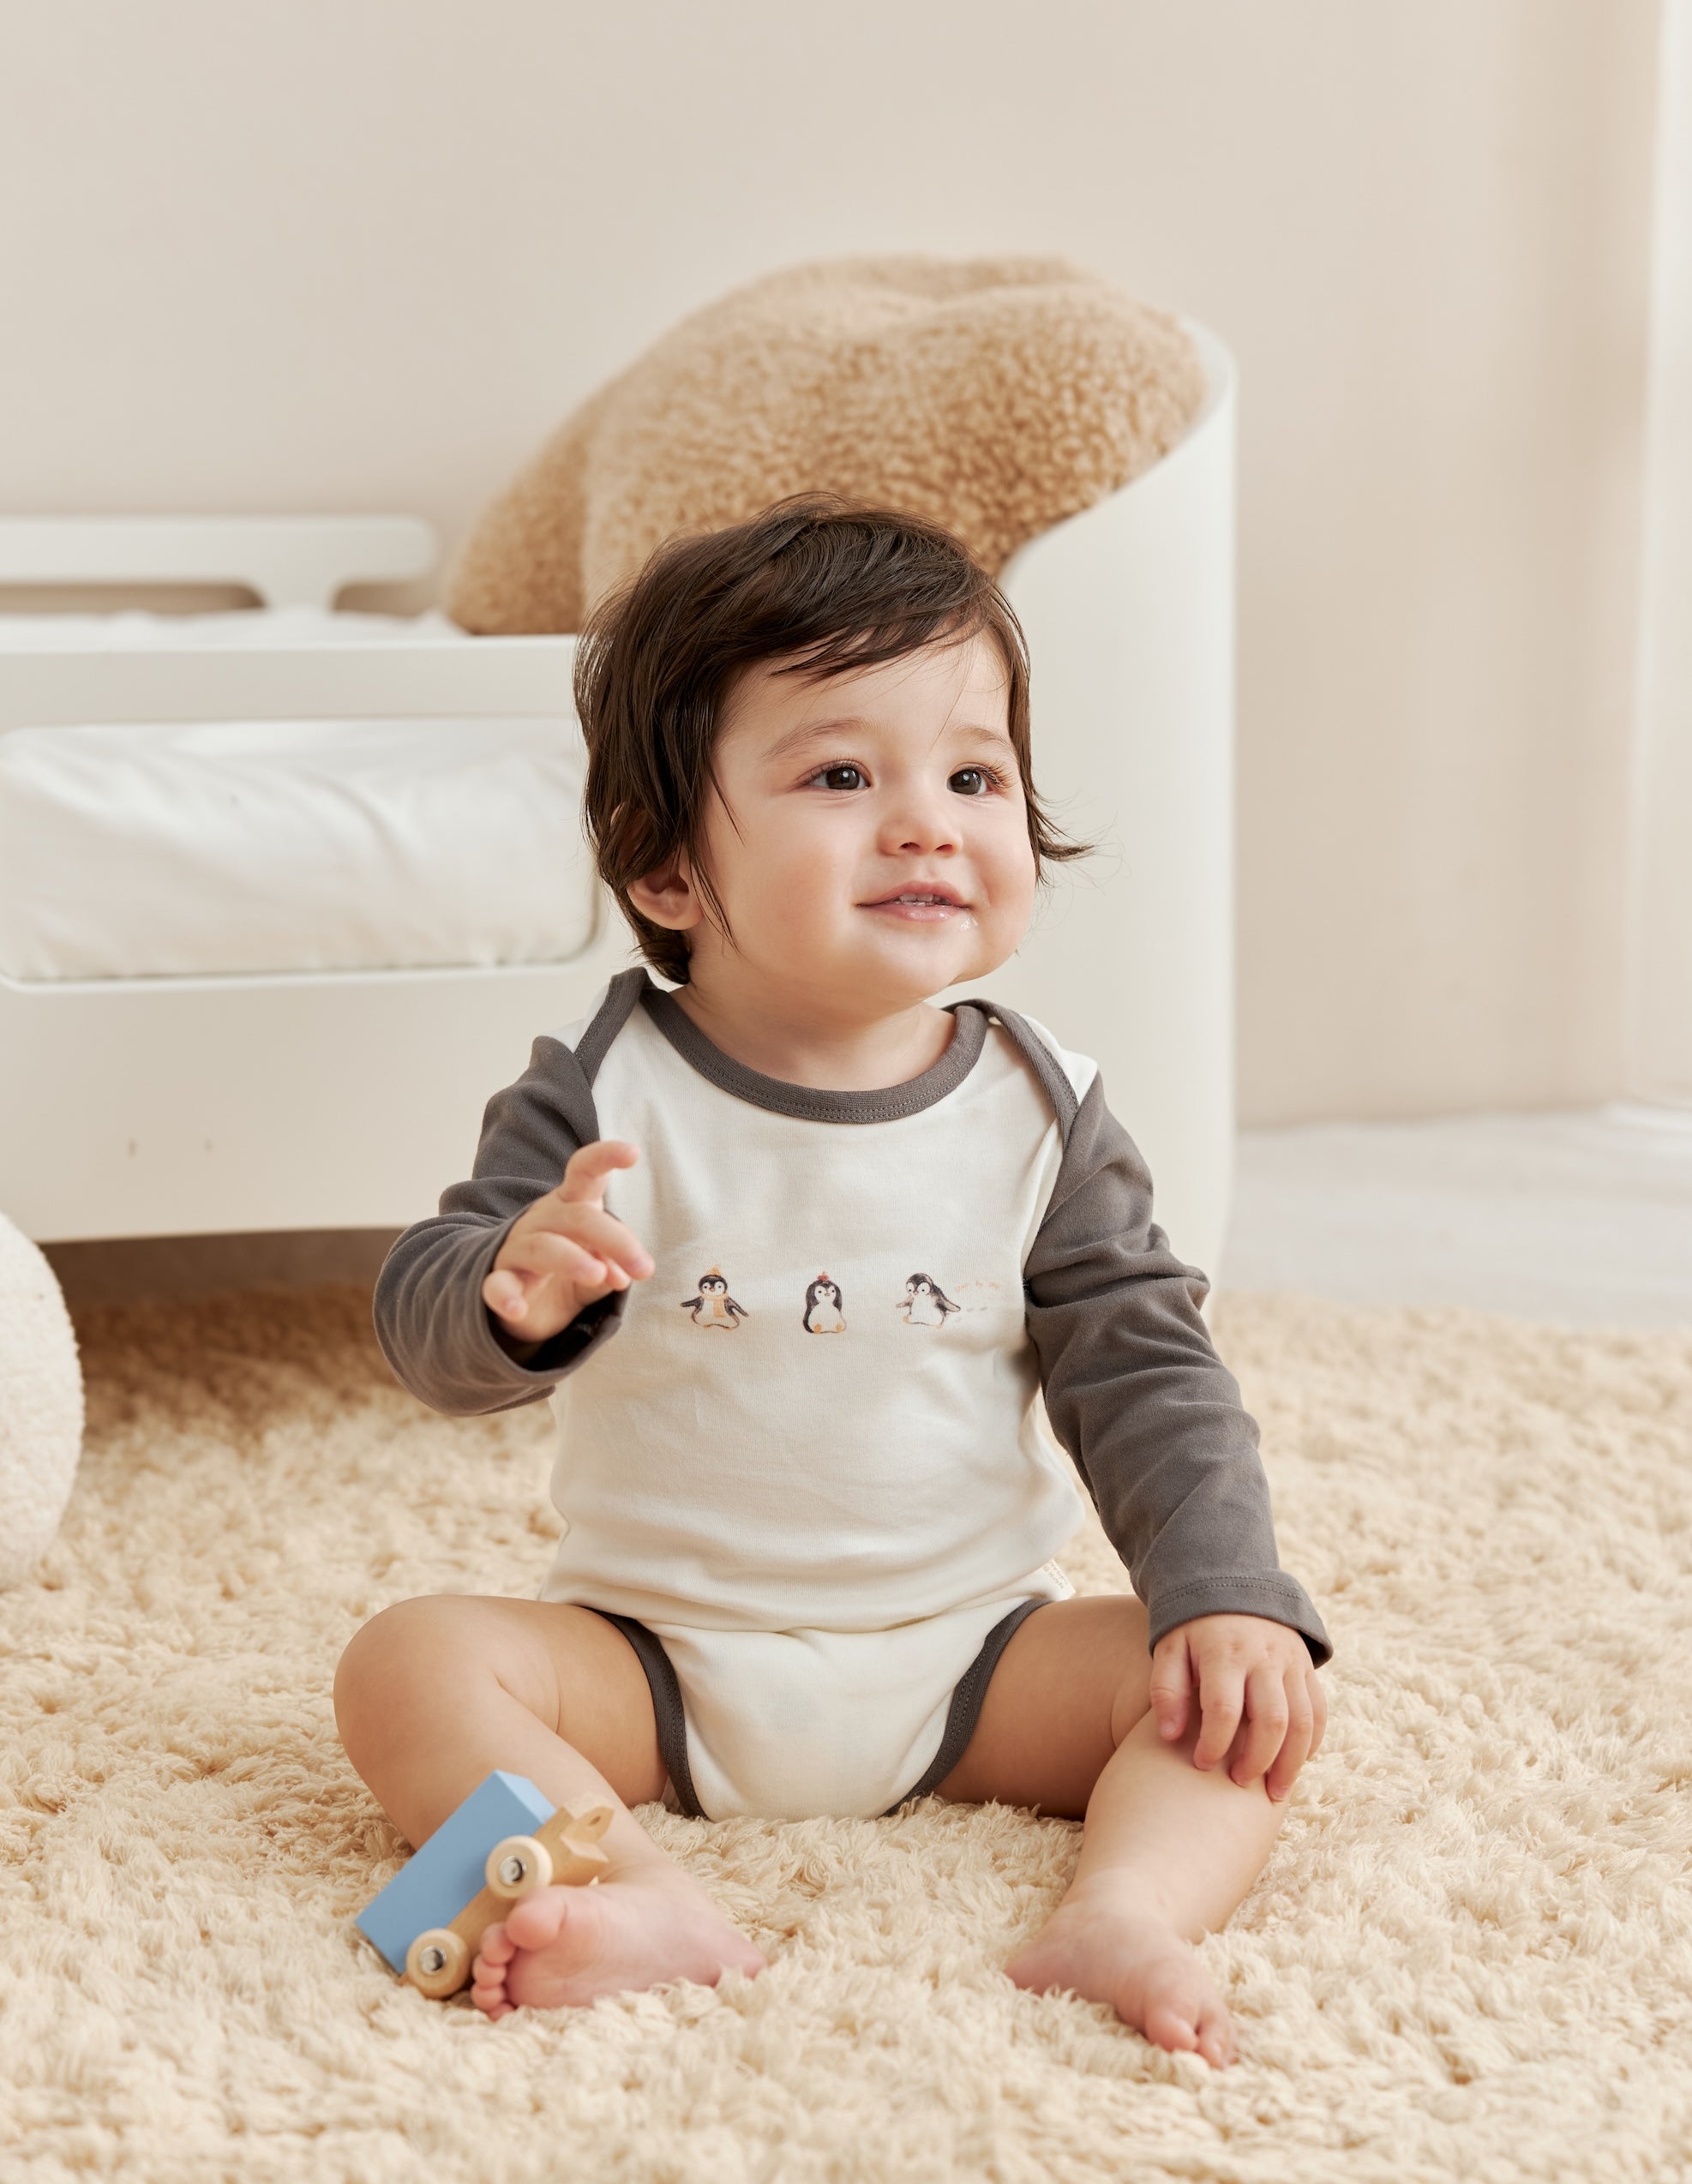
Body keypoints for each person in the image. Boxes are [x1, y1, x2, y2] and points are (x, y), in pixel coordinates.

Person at [338, 496, 1332, 2067]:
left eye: (973, 774)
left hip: (975, 1657)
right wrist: (506, 1294)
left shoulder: (1043, 1109)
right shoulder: (603, 1088)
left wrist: (1226, 1593)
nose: (928, 820)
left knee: (1223, 1683)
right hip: (655, 1660)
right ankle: (627, 1888)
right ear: (666, 865)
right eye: (840, 775)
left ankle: (1126, 1912)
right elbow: (431, 1324)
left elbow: (1148, 1370)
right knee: (405, 1665)